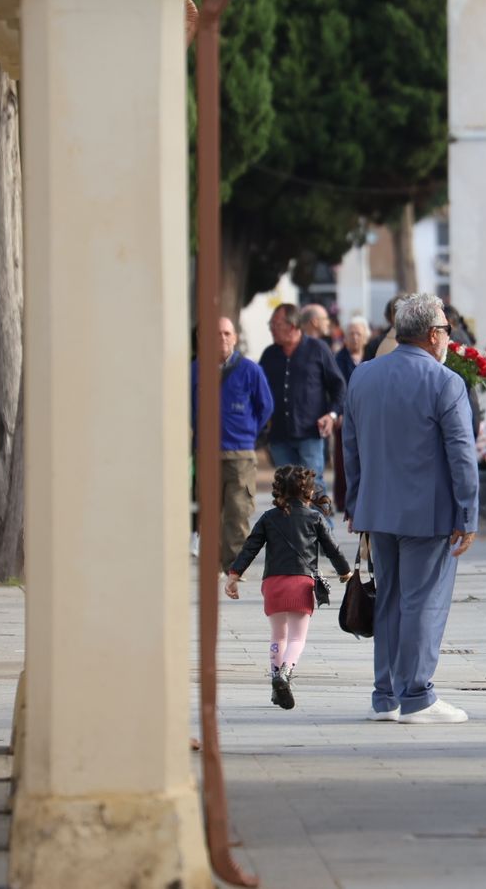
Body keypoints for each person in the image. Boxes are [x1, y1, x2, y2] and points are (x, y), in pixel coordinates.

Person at [343, 292, 480, 725]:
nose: (447, 339)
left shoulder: (363, 376)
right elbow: (461, 455)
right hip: (428, 511)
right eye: (445, 331)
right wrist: (468, 513)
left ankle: (386, 695)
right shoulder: (445, 382)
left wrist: (355, 501)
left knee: (389, 601)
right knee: (423, 603)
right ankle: (417, 694)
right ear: (434, 335)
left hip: (378, 508)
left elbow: (351, 448)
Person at [224, 465, 352, 711]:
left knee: (278, 636)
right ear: (309, 491)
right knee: (297, 637)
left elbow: (251, 546)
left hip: (272, 584)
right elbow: (332, 549)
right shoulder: (315, 518)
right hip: (301, 584)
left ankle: (276, 683)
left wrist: (234, 575)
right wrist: (345, 572)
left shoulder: (268, 518)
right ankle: (285, 673)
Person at [192, 316, 274, 574]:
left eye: (227, 334)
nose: (222, 339)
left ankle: (233, 567)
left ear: (235, 338)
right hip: (205, 453)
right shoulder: (195, 369)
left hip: (239, 453)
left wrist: (247, 432)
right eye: (216, 334)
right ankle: (213, 563)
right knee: (209, 511)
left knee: (238, 512)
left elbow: (265, 406)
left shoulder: (250, 370)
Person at [259, 303, 345, 484]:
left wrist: (331, 415)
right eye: (271, 325)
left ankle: (320, 514)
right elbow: (258, 392)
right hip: (279, 436)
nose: (271, 329)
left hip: (311, 433)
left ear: (291, 326)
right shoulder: (269, 355)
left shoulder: (318, 349)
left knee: (313, 489)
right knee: (286, 493)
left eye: (275, 324)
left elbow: (338, 387)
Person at [332, 316, 372, 512]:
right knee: (343, 460)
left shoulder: (372, 358)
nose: (355, 338)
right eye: (351, 334)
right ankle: (343, 500)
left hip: (368, 416)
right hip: (346, 416)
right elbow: (335, 389)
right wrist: (337, 412)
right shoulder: (338, 360)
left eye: (358, 334)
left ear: (365, 337)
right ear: (345, 338)